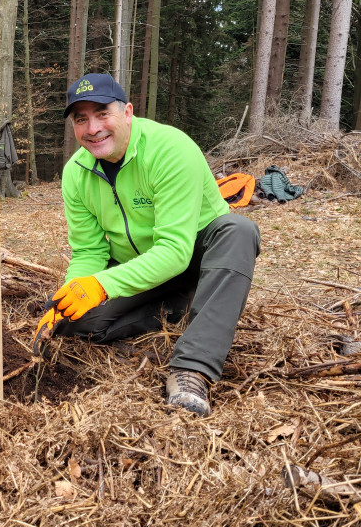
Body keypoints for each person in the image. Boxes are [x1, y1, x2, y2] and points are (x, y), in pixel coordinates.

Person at [34, 73, 260, 417]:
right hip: (140, 270)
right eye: (81, 119)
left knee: (238, 229)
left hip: (198, 261)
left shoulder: (170, 149)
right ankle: (186, 309)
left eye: (102, 114)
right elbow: (89, 252)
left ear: (127, 112)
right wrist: (67, 297)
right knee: (73, 324)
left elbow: (173, 251)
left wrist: (101, 284)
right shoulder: (75, 173)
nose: (92, 128)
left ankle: (192, 370)